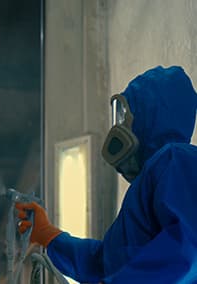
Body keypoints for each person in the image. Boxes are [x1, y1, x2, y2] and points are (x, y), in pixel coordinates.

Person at [15, 66, 197, 283]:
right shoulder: (150, 182)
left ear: (150, 115)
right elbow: (104, 265)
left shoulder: (175, 159)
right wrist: (49, 235)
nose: (119, 126)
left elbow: (187, 247)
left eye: (125, 115)